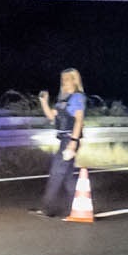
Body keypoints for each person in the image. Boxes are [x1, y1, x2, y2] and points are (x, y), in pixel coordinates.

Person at [38, 68, 87, 217]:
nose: (64, 82)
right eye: (63, 79)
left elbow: (79, 120)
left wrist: (73, 141)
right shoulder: (63, 100)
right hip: (64, 140)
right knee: (66, 177)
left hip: (70, 140)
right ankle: (78, 206)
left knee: (56, 172)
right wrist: (44, 102)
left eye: (67, 79)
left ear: (74, 80)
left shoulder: (78, 98)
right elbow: (51, 116)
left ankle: (47, 208)